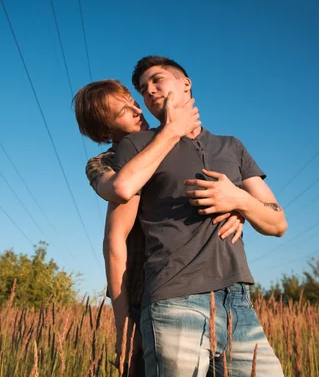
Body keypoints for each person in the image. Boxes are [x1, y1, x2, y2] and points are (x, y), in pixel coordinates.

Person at [108, 56, 288, 376]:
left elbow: (278, 223)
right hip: (174, 299)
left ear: (185, 83)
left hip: (238, 302)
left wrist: (240, 201)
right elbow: (121, 198)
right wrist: (172, 130)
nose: (149, 91)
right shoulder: (137, 145)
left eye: (157, 80)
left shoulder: (232, 146)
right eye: (142, 89)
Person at [73, 79, 246, 376]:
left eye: (132, 101)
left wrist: (239, 208)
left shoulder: (179, 146)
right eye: (123, 111)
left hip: (206, 290)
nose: (136, 110)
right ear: (104, 132)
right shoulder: (105, 162)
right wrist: (124, 326)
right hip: (145, 295)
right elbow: (117, 210)